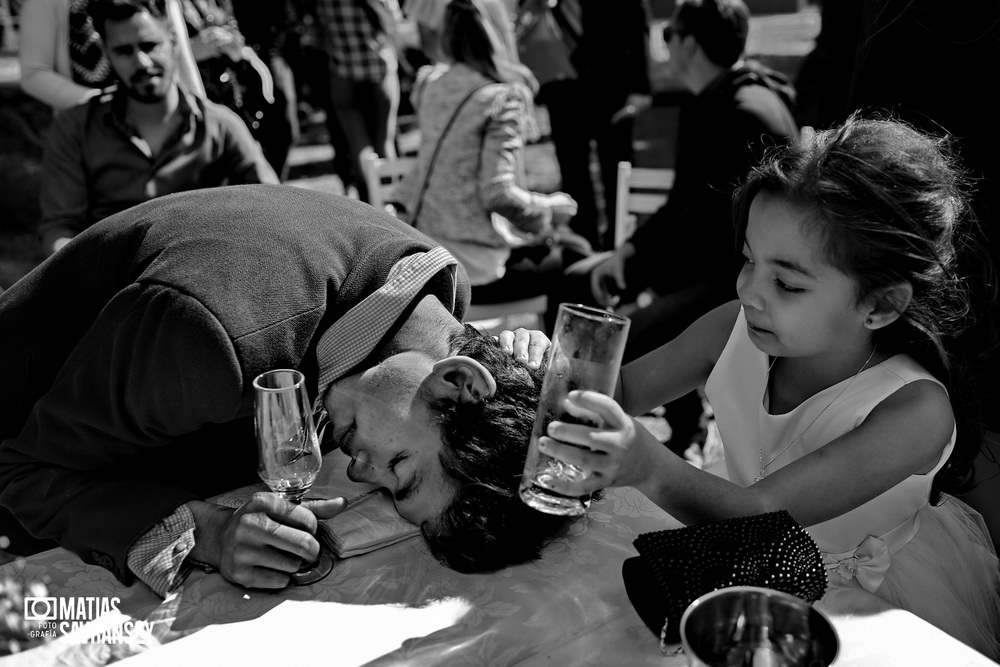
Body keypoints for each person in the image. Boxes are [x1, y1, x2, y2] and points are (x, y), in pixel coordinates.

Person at [538, 116, 1000, 657]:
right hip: (730, 561)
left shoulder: (913, 411)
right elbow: (622, 392)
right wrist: (548, 369)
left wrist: (645, 464)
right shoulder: (732, 327)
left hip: (862, 603)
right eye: (749, 260)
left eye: (786, 282)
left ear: (879, 305)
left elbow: (762, 515)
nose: (749, 291)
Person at [0, 183, 566, 595]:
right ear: (459, 381)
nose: (364, 473)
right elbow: (20, 470)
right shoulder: (210, 339)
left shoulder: (429, 309)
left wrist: (531, 385)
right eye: (400, 467)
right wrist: (203, 534)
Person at [555, 0, 797, 451]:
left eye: (668, 35)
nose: (664, 45)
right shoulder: (732, 99)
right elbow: (688, 210)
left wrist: (641, 270)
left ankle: (580, 440)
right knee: (579, 281)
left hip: (737, 281)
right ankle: (678, 430)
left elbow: (713, 233)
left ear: (688, 43)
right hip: (710, 266)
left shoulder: (740, 112)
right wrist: (629, 256)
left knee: (626, 339)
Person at [34, 0, 277, 256]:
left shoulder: (220, 125)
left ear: (173, 41)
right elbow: (59, 230)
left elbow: (273, 205)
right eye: (124, 51)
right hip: (115, 283)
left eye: (150, 46)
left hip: (205, 276)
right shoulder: (75, 130)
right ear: (107, 53)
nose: (141, 62)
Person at [394, 0, 587, 307]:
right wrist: (550, 209)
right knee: (579, 257)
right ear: (500, 32)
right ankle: (556, 353)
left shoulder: (430, 84)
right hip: (475, 271)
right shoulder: (503, 97)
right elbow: (497, 194)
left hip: (430, 256)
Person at [515, 0, 652, 252]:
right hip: (562, 87)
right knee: (573, 172)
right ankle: (583, 249)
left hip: (612, 84)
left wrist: (640, 87)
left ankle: (620, 246)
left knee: (618, 172)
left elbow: (636, 19)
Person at [17, 0, 201, 109]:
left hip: (167, 120)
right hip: (96, 137)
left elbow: (180, 58)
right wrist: (105, 106)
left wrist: (198, 109)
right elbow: (35, 73)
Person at [312, 0, 403, 203]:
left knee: (359, 148)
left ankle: (370, 203)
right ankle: (391, 201)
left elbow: (319, 34)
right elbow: (395, 23)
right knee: (384, 143)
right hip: (379, 74)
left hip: (343, 75)